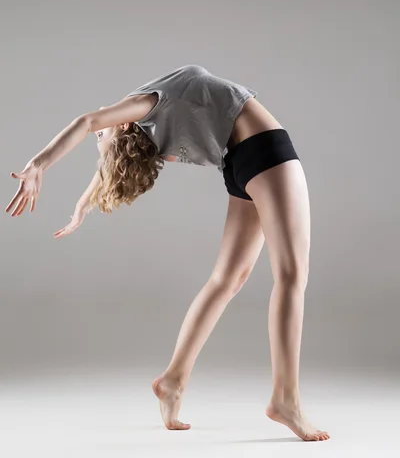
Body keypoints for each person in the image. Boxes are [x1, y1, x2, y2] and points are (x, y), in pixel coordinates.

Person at [5, 64, 329, 442]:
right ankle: (285, 398)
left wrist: (70, 191)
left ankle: (173, 380)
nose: (97, 137)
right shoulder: (143, 110)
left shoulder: (145, 107)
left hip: (241, 161)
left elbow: (90, 122)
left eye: (99, 141)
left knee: (228, 279)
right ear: (125, 126)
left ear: (122, 126)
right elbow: (91, 123)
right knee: (291, 277)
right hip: (262, 150)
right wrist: (50, 175)